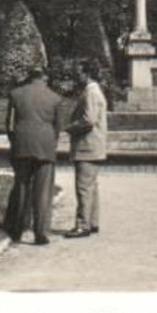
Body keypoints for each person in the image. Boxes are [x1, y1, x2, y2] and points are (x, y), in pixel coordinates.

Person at [4, 67, 61, 245]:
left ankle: (17, 230)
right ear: (45, 77)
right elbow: (58, 126)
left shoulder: (15, 94)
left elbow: (9, 125)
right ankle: (40, 232)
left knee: (21, 186)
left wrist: (15, 141)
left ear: (28, 77)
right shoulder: (55, 97)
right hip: (45, 144)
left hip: (22, 144)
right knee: (43, 190)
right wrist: (51, 141)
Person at [64, 65, 108, 238]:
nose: (77, 77)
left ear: (87, 74)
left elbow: (88, 120)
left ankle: (82, 225)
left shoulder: (90, 92)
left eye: (79, 73)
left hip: (87, 146)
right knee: (91, 187)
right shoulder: (95, 91)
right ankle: (92, 222)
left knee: (83, 187)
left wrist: (70, 128)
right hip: (93, 146)